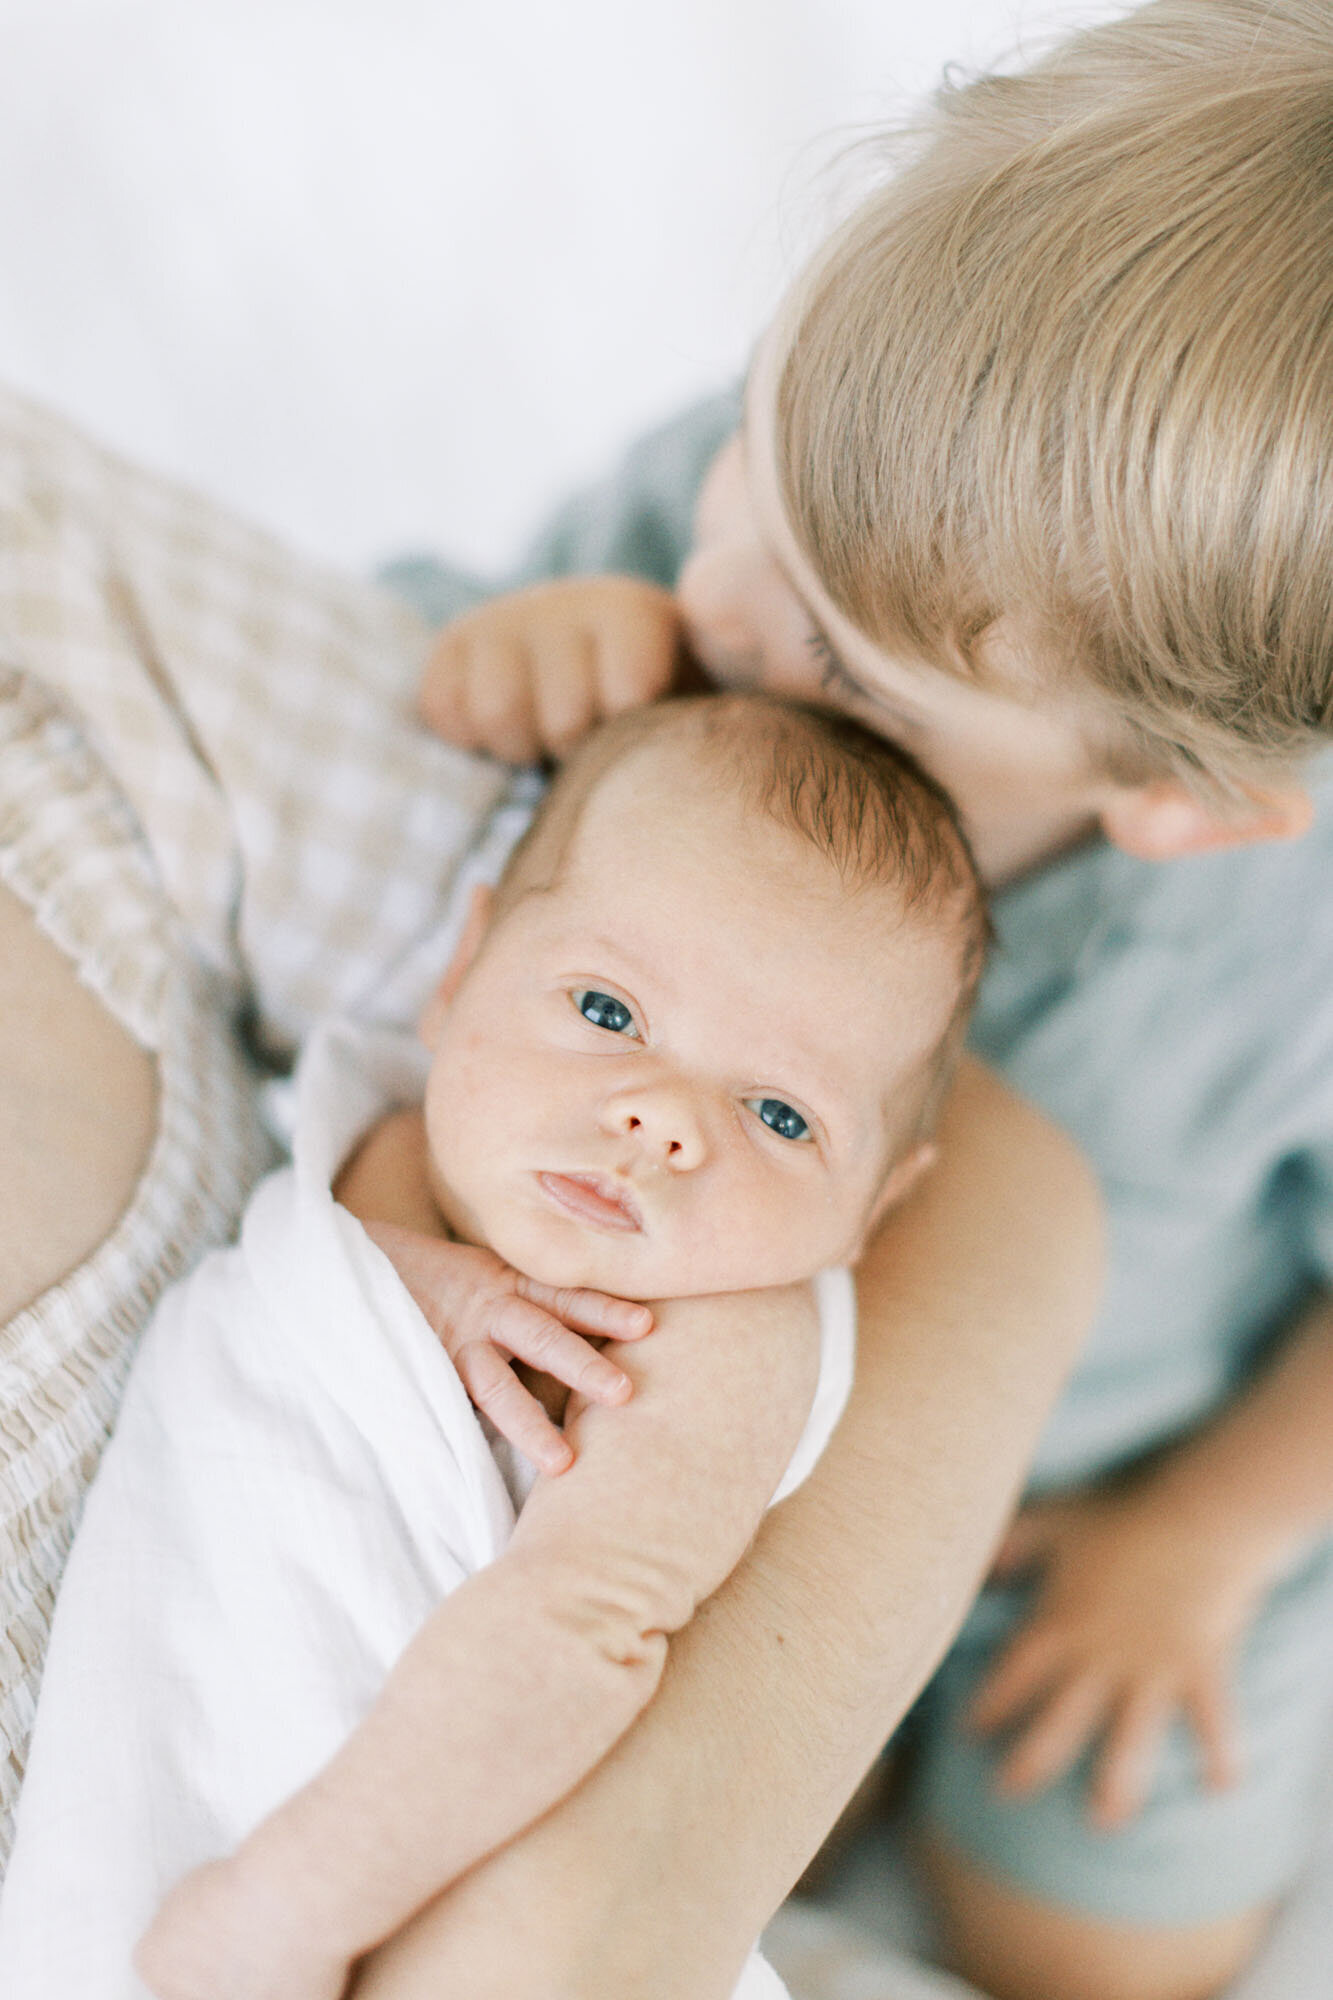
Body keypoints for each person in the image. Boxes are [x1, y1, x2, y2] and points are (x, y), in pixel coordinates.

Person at [373, 5, 1333, 1996]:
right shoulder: (763, 518)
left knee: (1075, 1938)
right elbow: (467, 700)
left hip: (1099, 1519)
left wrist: (1199, 1538)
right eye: (752, 455)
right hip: (688, 1419)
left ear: (1172, 801)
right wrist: (536, 654)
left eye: (834, 677)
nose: (718, 604)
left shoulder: (1281, 959)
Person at [0, 694, 988, 2000]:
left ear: (877, 1204)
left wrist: (298, 1896)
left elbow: (583, 1626)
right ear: (460, 971)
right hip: (140, 1772)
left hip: (334, 1870)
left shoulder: (730, 1329)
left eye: (777, 1114)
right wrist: (434, 1289)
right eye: (607, 1008)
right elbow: (339, 1258)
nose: (659, 1120)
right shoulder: (386, 1121)